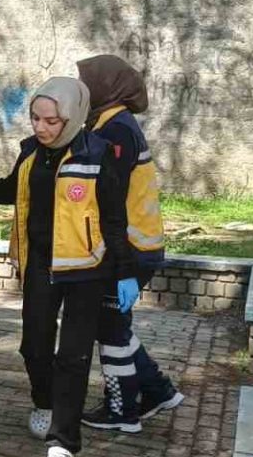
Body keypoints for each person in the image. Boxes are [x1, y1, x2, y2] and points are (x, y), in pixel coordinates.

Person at [0, 76, 142, 457]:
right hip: (41, 265)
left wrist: (125, 273)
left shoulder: (97, 154)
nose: (41, 128)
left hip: (85, 271)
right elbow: (12, 190)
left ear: (73, 117)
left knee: (73, 357)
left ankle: (63, 443)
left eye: (51, 121)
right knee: (35, 345)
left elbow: (115, 219)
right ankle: (44, 402)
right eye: (35, 118)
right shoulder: (30, 153)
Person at [76, 56, 183, 428]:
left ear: (105, 86)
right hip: (136, 245)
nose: (81, 90)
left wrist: (119, 263)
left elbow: (110, 197)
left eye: (85, 82)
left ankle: (121, 410)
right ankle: (157, 390)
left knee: (110, 329)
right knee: (113, 325)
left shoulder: (116, 130)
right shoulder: (112, 123)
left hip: (129, 248)